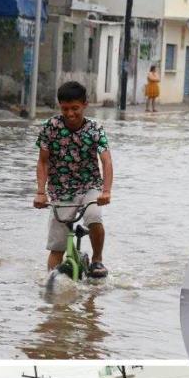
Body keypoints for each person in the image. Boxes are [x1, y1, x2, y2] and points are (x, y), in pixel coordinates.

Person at [33, 81, 113, 277]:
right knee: (57, 247)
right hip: (60, 190)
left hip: (89, 187)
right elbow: (43, 162)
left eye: (75, 108)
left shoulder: (95, 129)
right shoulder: (50, 127)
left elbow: (106, 161)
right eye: (65, 108)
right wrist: (40, 193)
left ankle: (97, 260)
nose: (70, 114)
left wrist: (106, 191)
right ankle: (51, 285)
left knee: (94, 216)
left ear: (85, 104)